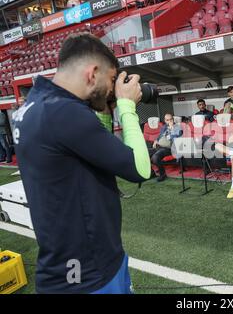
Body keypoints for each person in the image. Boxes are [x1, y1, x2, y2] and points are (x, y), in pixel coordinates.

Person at [13, 33, 150, 294]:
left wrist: (105, 110)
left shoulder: (37, 104)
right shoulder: (64, 112)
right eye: (111, 80)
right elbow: (139, 169)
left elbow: (92, 151)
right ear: (92, 73)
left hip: (69, 264)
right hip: (86, 274)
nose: (112, 89)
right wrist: (126, 106)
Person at [148, 113, 182, 182]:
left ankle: (162, 174)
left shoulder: (177, 127)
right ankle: (152, 173)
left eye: (171, 119)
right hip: (159, 146)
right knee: (145, 153)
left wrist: (172, 128)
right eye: (167, 120)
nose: (169, 121)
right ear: (165, 120)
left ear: (173, 119)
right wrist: (156, 140)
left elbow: (176, 138)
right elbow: (160, 136)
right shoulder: (164, 127)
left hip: (169, 148)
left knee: (155, 157)